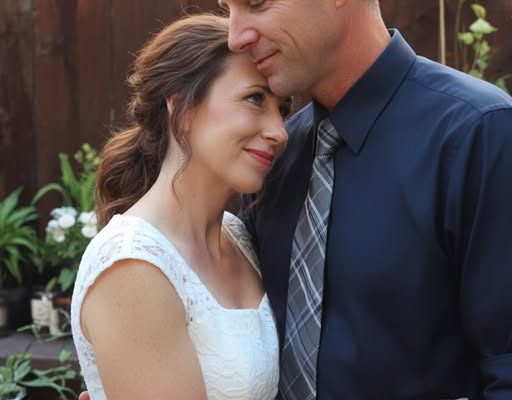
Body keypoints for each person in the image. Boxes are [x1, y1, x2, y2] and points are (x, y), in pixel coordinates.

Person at [218, 0, 512, 399]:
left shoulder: (480, 135)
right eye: (229, 9)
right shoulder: (274, 159)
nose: (236, 37)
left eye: (256, 3)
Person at [71, 14, 290, 400]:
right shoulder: (132, 265)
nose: (279, 131)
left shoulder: (238, 236)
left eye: (282, 109)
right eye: (255, 98)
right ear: (182, 107)